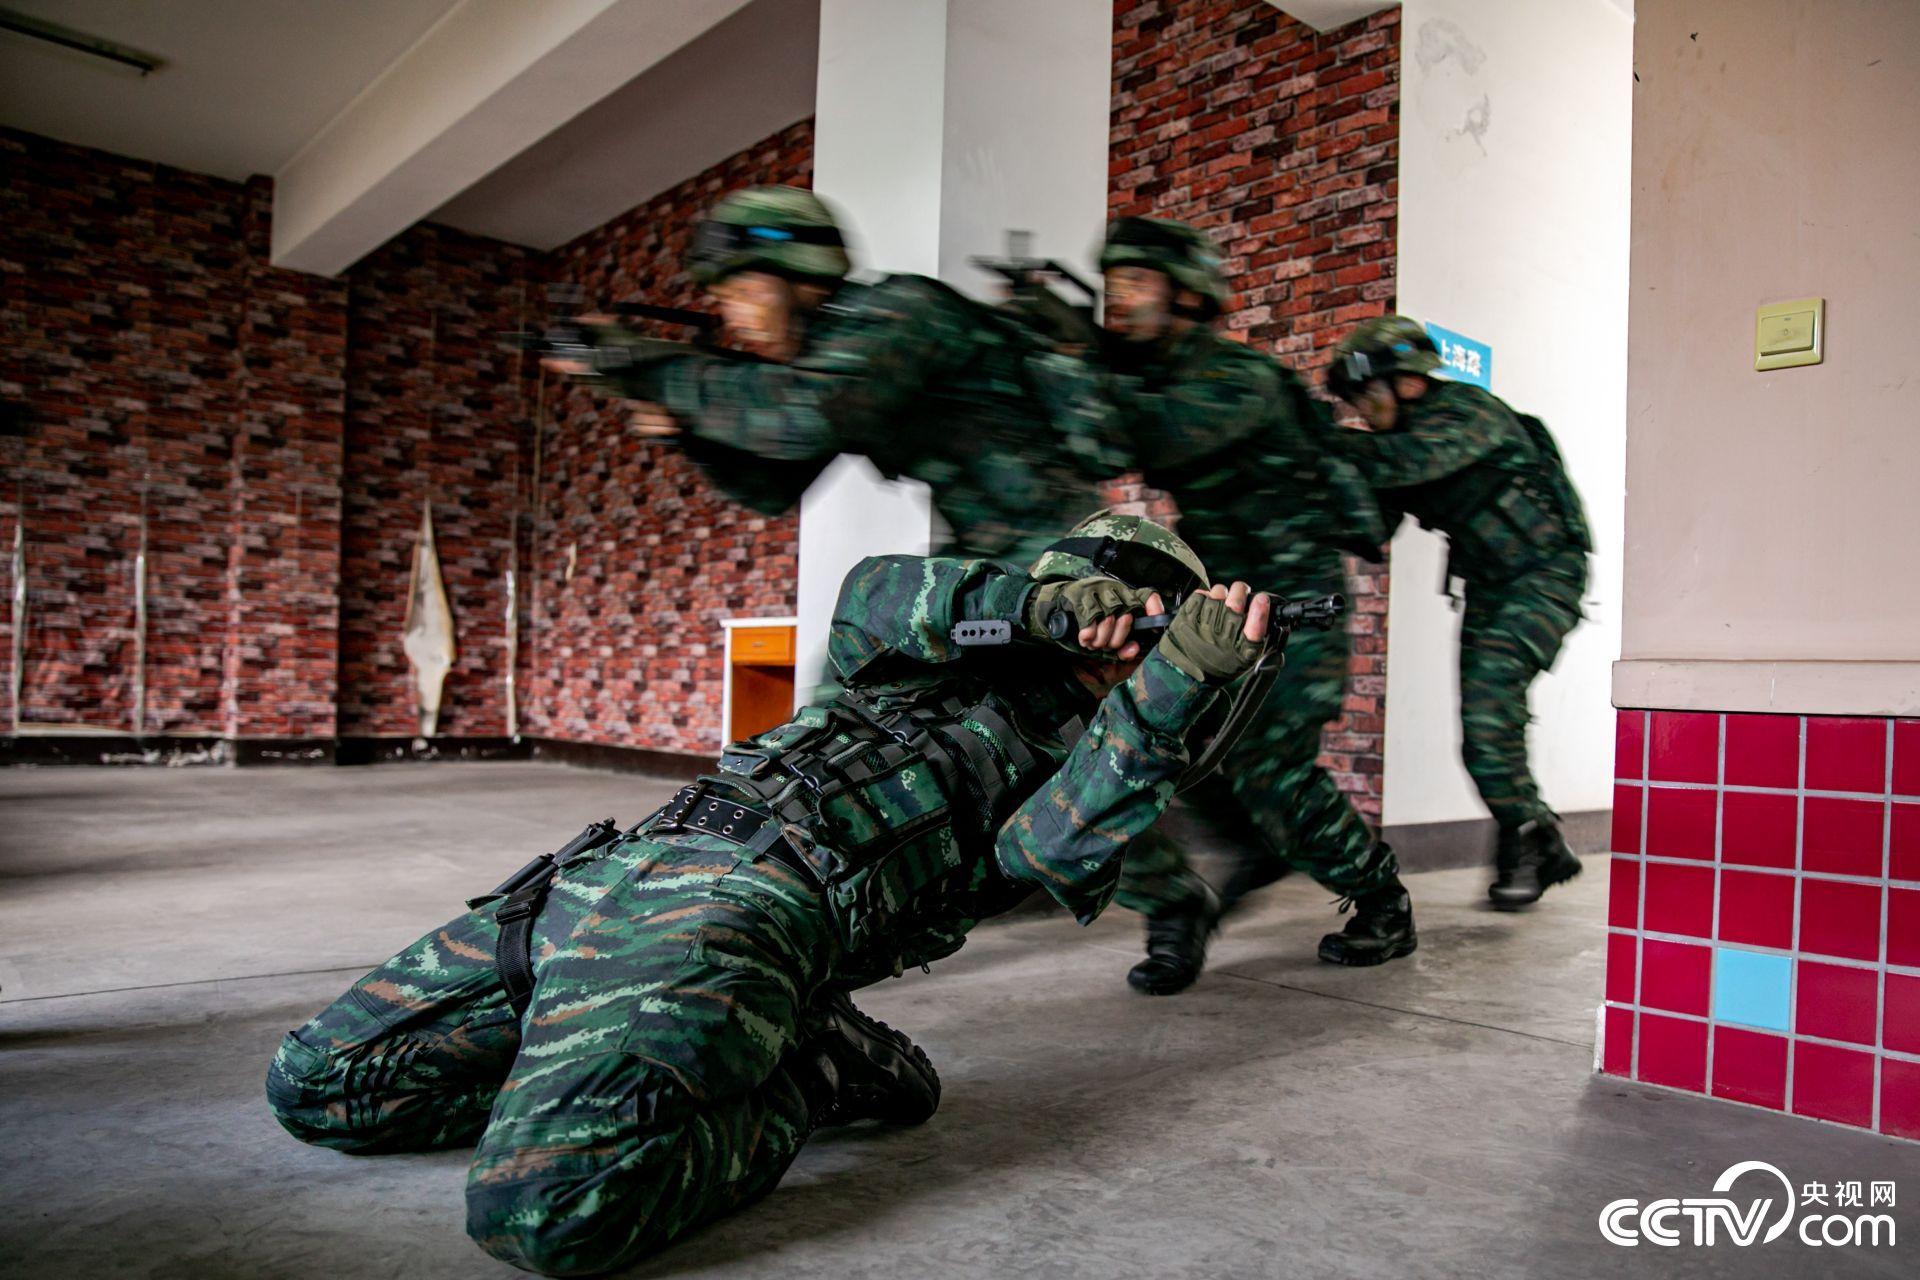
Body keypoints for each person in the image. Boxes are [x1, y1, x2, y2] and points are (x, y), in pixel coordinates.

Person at [266, 513, 1284, 1274]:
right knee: (318, 1083)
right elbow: (874, 587)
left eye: (1132, 634)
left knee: (544, 1206)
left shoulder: (1092, 760)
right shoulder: (900, 667)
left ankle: (809, 1074)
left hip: (749, 913)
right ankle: (674, 1052)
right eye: (1092, 611)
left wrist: (1171, 688)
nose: (1100, 642)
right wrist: (1034, 603)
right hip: (601, 873)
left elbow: (1039, 852)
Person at [545, 186, 1226, 993]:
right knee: (855, 718)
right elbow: (771, 478)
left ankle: (1173, 897)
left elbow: (802, 417)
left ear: (795, 270)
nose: (727, 311)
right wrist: (679, 421)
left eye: (736, 287)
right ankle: (830, 900)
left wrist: (645, 363)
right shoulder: (835, 352)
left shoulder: (900, 314)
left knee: (1047, 754)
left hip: (1053, 551)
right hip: (982, 550)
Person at [1025, 218, 1415, 969]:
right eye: (1113, 284)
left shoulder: (1239, 381)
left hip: (1294, 603)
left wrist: (1074, 353)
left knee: (1273, 772)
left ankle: (1380, 899)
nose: (1119, 300)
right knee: (1172, 741)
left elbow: (1143, 438)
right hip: (1222, 601)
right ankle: (1246, 854)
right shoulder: (1164, 374)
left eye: (1138, 284)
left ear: (1188, 295)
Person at [1326, 316, 1592, 907]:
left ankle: (1530, 838)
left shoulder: (1471, 414)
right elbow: (1370, 529)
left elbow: (1406, 463)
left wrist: (1318, 440)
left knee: (1490, 715)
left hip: (1546, 576)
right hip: (1495, 586)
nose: (1362, 414)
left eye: (1366, 398)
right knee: (1481, 734)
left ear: (1410, 383)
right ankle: (1533, 837)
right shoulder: (1395, 444)